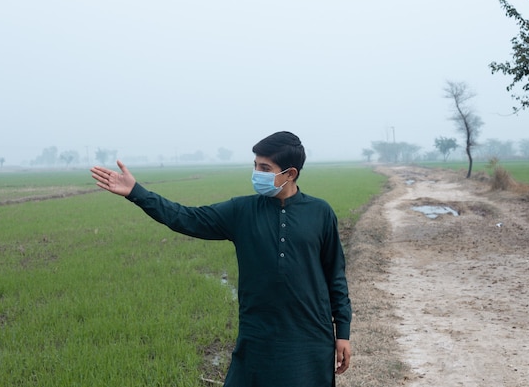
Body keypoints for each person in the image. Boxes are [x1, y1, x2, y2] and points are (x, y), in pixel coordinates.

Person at [90, 131, 351, 386]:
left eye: (264, 168)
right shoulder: (242, 211)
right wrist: (137, 192)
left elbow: (335, 275)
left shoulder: (320, 213)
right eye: (255, 166)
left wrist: (343, 333)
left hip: (309, 338)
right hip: (258, 337)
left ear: (290, 173)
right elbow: (186, 217)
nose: (256, 174)